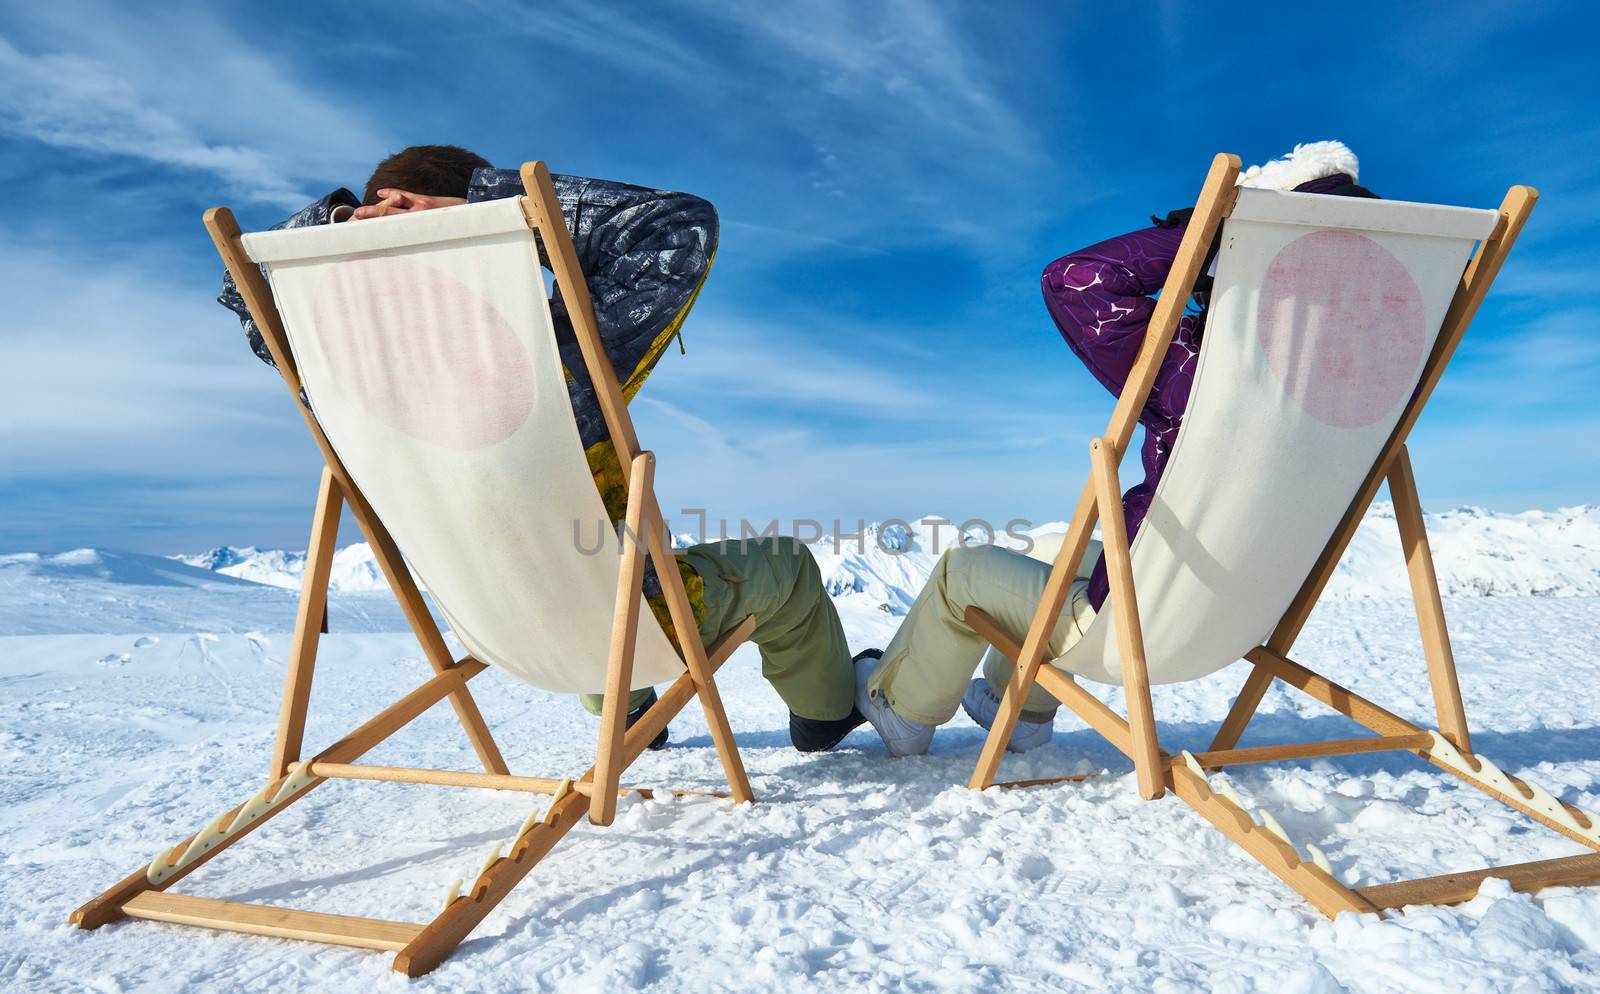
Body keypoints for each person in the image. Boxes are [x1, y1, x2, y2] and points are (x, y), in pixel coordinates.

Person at [220, 145, 868, 753]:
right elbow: (679, 225)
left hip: (495, 629)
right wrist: (497, 205)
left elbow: (244, 287)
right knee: (781, 564)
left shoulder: (322, 365)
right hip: (623, 629)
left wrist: (334, 225)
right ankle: (826, 714)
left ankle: (634, 708)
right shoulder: (544, 360)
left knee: (584, 537)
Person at [852, 142, 1380, 756]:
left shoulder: (1210, 369)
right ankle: (1014, 708)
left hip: (1140, 625)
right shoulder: (1359, 390)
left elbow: (1074, 281)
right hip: (1236, 621)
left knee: (959, 572)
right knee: (1058, 552)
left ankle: (903, 712)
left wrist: (1212, 238)